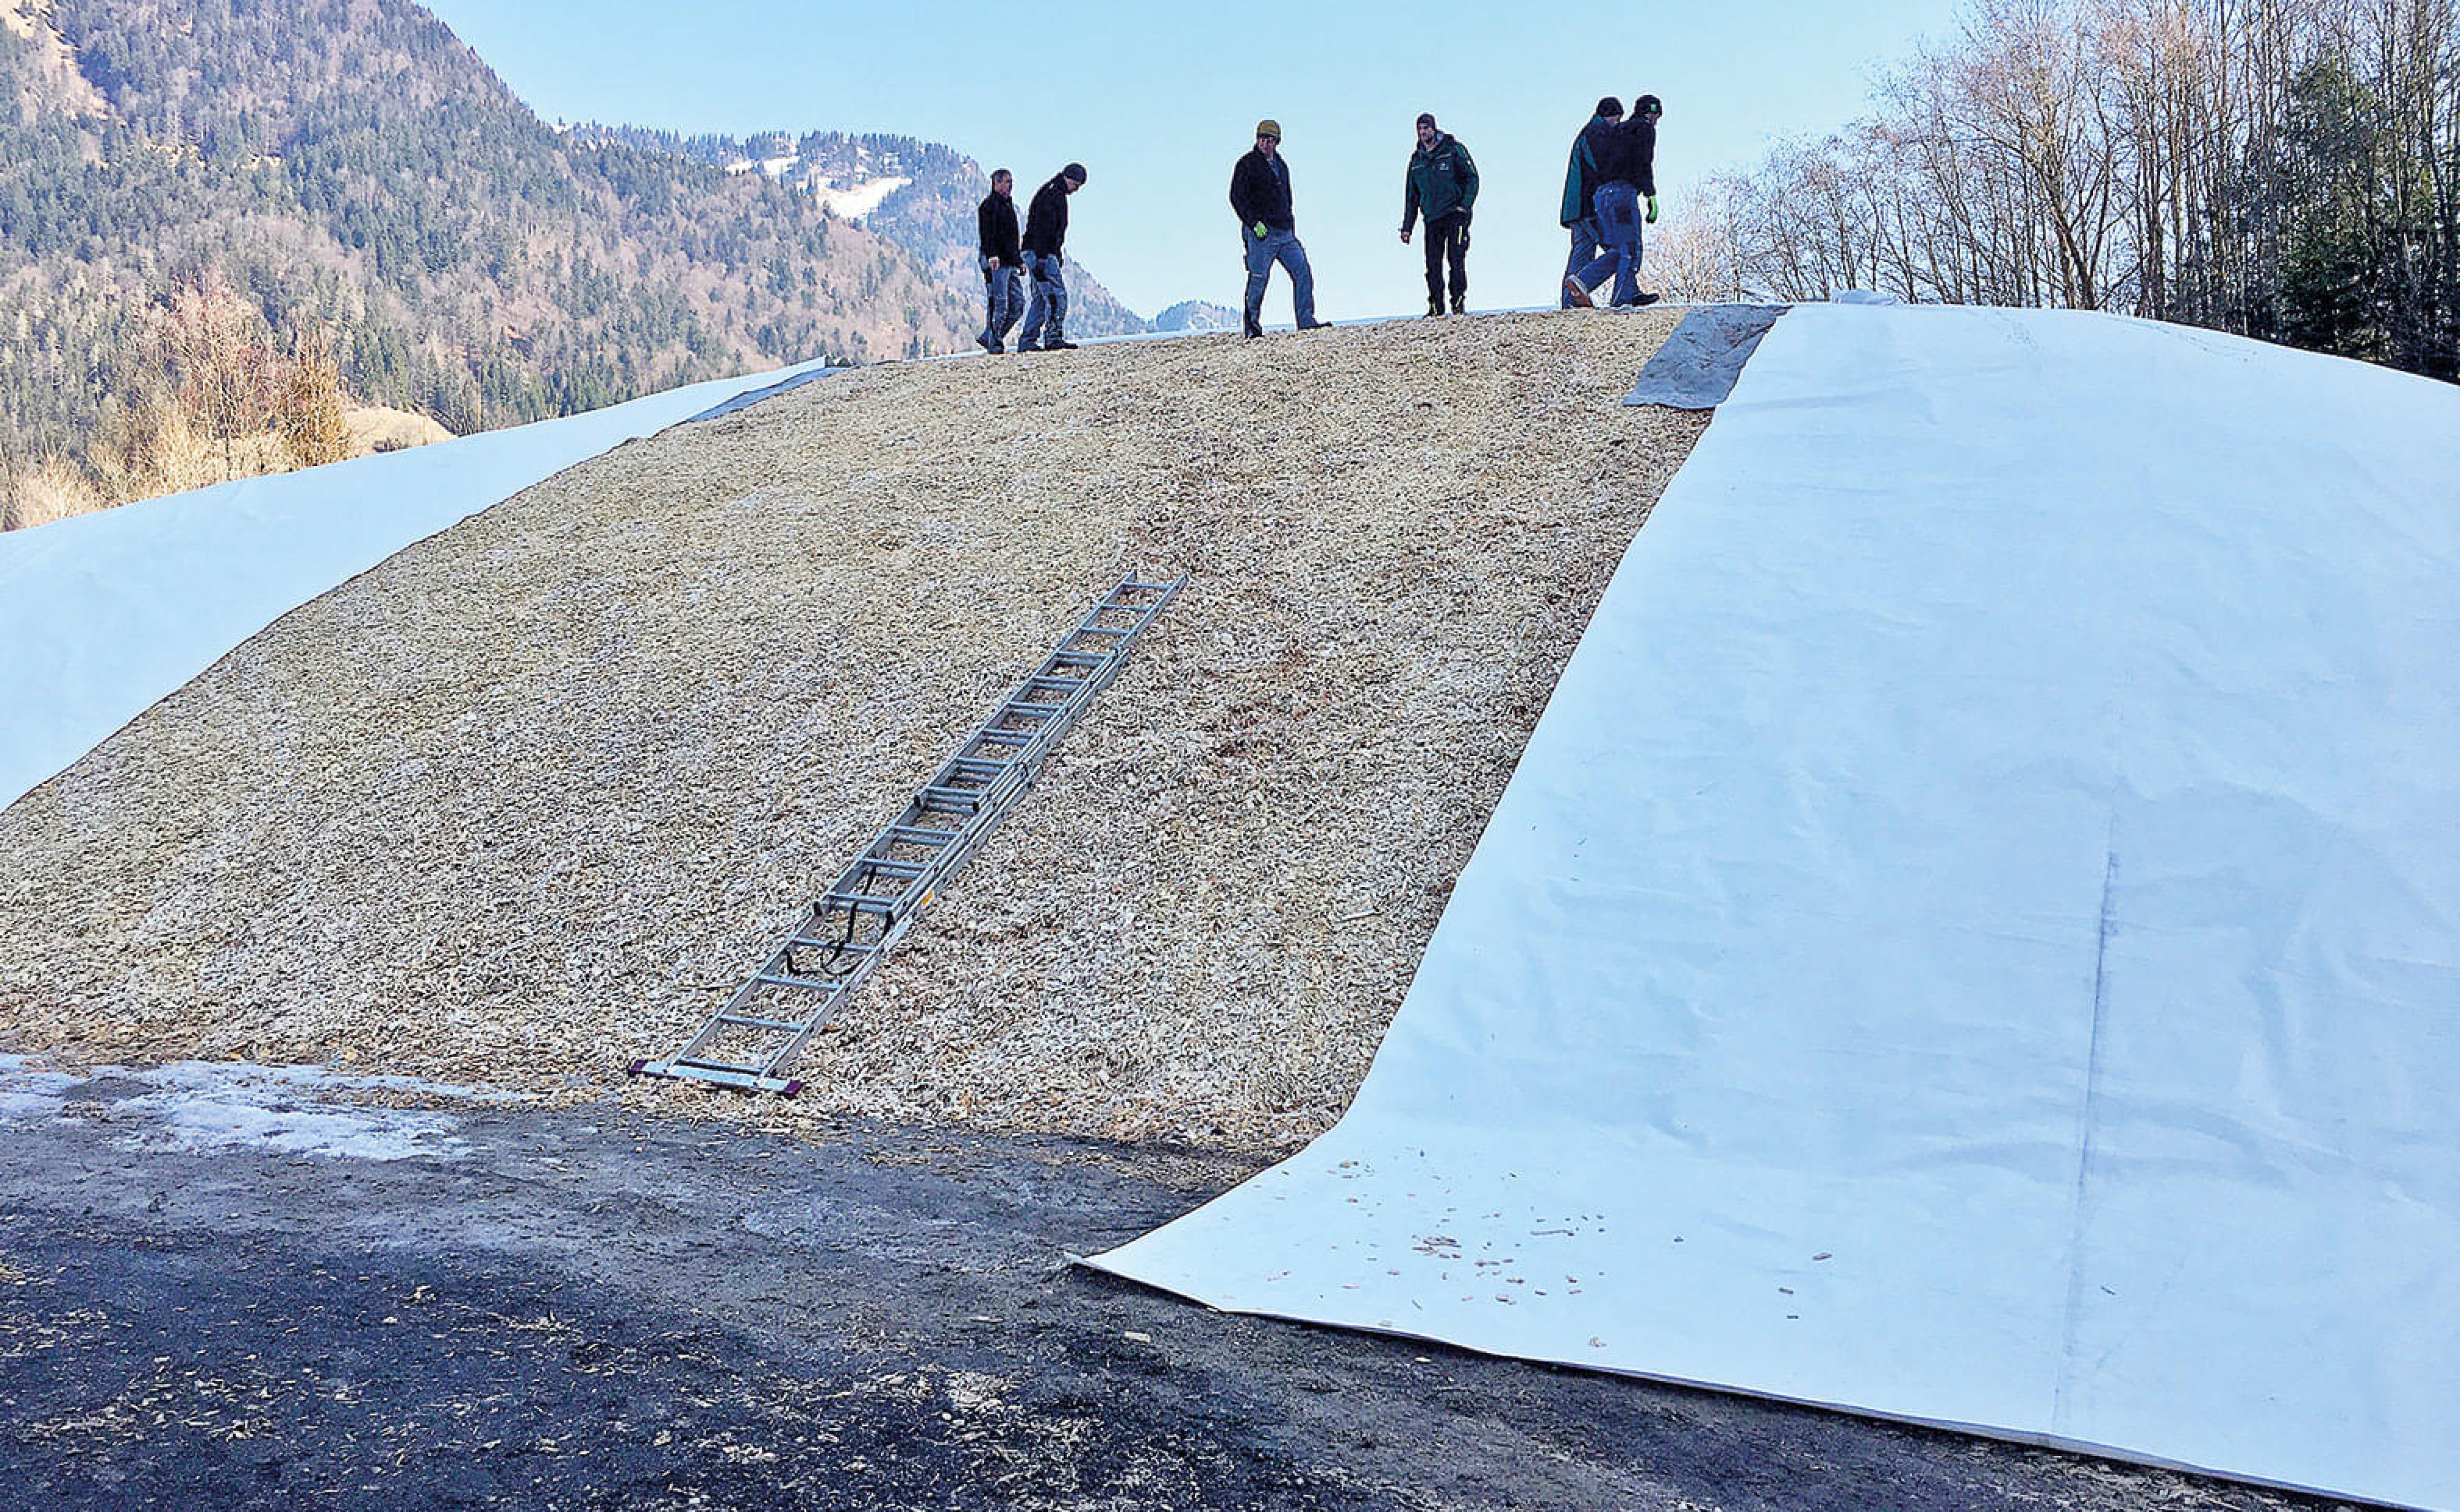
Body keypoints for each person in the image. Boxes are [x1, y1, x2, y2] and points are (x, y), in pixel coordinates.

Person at [1228, 120, 1330, 338]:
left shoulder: (1282, 166)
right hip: (1260, 234)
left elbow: (1288, 198)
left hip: (1285, 233)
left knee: (1303, 272)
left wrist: (1290, 226)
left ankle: (1306, 321)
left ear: (1277, 142)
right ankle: (1252, 329)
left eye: (1270, 139)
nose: (1265, 143)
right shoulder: (1246, 164)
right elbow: (1236, 197)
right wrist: (1254, 223)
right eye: (1262, 138)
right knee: (1258, 279)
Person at [1564, 94, 1663, 310]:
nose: (1656, 121)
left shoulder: (1616, 132)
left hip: (1601, 197)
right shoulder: (1643, 130)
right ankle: (1620, 296)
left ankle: (1584, 288)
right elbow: (1643, 163)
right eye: (1656, 116)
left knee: (1616, 248)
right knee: (1629, 247)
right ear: (1651, 114)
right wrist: (1651, 195)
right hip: (1620, 195)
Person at [1400, 112, 1479, 316]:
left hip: (1455, 214)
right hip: (1432, 217)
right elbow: (1412, 196)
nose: (1423, 132)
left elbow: (1472, 178)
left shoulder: (1453, 150)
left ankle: (1458, 304)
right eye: (1419, 129)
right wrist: (1407, 227)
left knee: (1457, 260)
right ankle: (1436, 307)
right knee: (1433, 264)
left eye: (1426, 128)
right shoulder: (1417, 161)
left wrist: (1465, 206)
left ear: (1434, 129)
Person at [1559, 98, 1622, 309]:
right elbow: (1601, 170)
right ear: (1610, 115)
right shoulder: (1597, 134)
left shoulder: (1586, 133)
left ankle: (1570, 302)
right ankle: (1585, 283)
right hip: (1590, 206)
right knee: (1620, 251)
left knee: (1582, 254)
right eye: (1617, 118)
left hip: (1576, 208)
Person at [1019, 163, 1087, 352]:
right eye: (1077, 185)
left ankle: (1028, 340)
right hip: (1041, 253)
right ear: (1070, 178)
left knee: (1040, 298)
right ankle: (1053, 337)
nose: (1076, 190)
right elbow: (1044, 229)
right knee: (1057, 296)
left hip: (1036, 251)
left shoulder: (1050, 192)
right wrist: (1043, 259)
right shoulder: (1053, 195)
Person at [975, 169, 1024, 354]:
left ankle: (992, 337)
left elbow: (1013, 237)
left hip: (1010, 261)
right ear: (996, 183)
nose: (1010, 185)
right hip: (996, 261)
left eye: (1011, 182)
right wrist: (991, 255)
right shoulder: (989, 206)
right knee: (999, 303)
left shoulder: (1008, 206)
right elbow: (987, 233)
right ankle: (994, 340)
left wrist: (1019, 260)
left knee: (1018, 303)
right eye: (1006, 182)